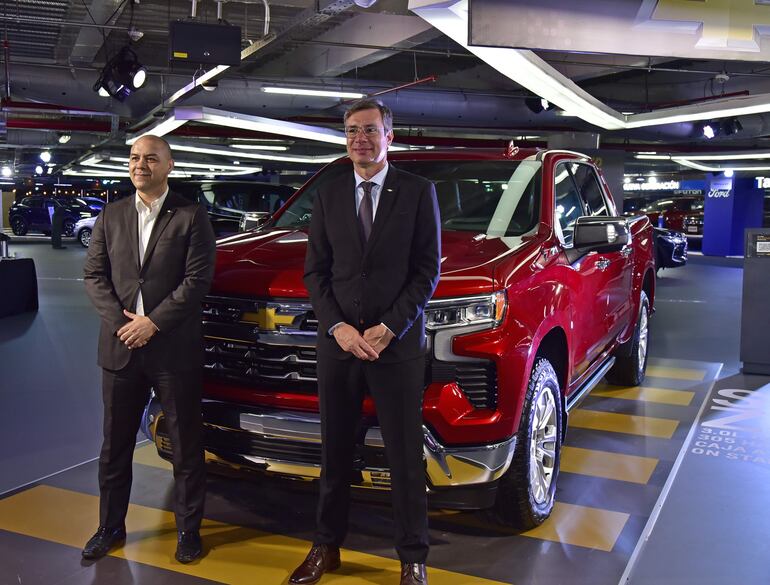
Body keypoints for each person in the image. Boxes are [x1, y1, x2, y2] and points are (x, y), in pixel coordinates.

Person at [292, 99, 441, 585]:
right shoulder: (331, 194)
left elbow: (426, 272)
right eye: (352, 130)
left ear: (389, 136)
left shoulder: (418, 192)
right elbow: (316, 273)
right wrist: (338, 327)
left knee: (403, 456)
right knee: (335, 452)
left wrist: (390, 326)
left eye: (370, 130)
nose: (360, 138)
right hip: (339, 346)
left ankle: (412, 558)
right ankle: (326, 546)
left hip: (395, 348)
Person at [82, 135, 216, 564]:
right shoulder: (111, 215)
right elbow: (94, 276)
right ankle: (109, 527)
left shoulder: (192, 217)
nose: (141, 164)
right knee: (114, 447)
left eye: (151, 158)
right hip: (122, 348)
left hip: (172, 349)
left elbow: (196, 282)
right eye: (135, 158)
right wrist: (126, 326)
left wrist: (153, 323)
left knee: (186, 447)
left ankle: (188, 532)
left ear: (169, 165)